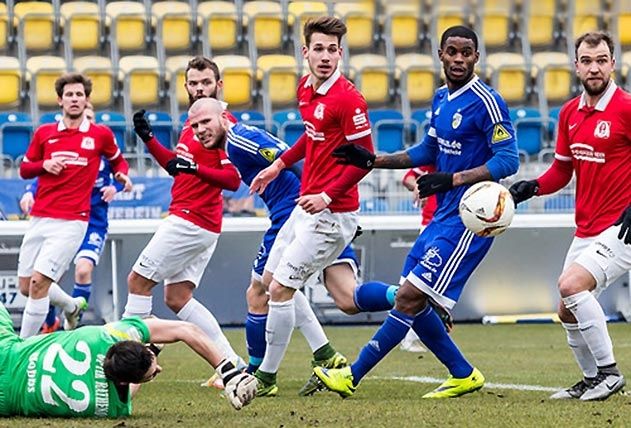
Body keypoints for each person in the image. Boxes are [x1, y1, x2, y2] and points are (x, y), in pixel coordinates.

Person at [312, 25, 519, 399]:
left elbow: (508, 160)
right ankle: (463, 373)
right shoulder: (441, 98)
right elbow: (426, 150)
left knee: (409, 296)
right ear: (440, 54)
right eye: (452, 52)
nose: (458, 59)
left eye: (466, 53)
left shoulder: (487, 102)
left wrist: (451, 179)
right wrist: (372, 160)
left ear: (476, 57)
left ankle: (352, 376)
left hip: (469, 221)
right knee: (413, 296)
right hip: (442, 215)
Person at [185, 98, 398, 396]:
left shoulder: (238, 141)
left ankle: (259, 374)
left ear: (223, 116)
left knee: (261, 290)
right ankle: (406, 298)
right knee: (347, 298)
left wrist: (324, 202)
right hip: (317, 211)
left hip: (297, 213)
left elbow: (292, 159)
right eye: (195, 126)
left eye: (205, 122)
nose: (200, 130)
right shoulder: (237, 141)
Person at [249, 16, 375, 395]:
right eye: (318, 49)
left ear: (341, 53)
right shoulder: (306, 88)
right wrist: (277, 165)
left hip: (332, 215)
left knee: (281, 291)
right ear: (305, 52)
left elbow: (365, 158)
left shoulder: (348, 99)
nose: (325, 57)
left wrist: (327, 195)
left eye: (332, 50)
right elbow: (311, 138)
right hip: (306, 209)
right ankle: (324, 354)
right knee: (268, 283)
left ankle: (266, 378)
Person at [509, 31, 630, 401]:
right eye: (587, 61)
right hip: (586, 228)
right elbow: (562, 171)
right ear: (576, 66)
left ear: (613, 63)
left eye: (601, 60)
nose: (594, 68)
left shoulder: (626, 108)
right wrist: (532, 187)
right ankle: (593, 379)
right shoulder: (568, 113)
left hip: (622, 227)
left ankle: (610, 374)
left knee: (571, 286)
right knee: (566, 311)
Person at [125, 56, 245, 369]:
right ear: (186, 87)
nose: (200, 88)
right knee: (177, 298)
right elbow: (176, 168)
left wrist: (194, 167)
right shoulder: (196, 122)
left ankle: (130, 363)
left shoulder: (222, 123)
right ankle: (231, 363)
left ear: (218, 85)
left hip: (190, 220)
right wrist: (148, 138)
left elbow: (233, 179)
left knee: (138, 282)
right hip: (197, 221)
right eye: (194, 83)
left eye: (206, 82)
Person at [18, 72, 132, 338]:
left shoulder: (100, 135)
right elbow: (25, 169)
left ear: (86, 100)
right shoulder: (44, 134)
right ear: (60, 100)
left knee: (38, 283)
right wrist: (43, 164)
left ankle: (20, 349)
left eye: (79, 94)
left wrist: (121, 177)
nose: (74, 99)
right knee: (26, 286)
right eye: (69, 94)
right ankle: (71, 306)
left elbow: (119, 162)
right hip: (39, 219)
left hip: (73, 221)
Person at [0, 301, 257, 417]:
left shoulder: (105, 335)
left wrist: (229, 372)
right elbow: (130, 389)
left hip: (7, 351)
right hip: (5, 400)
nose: (160, 370)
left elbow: (185, 330)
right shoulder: (109, 408)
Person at [398, 165, 438, 353]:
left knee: (427, 285)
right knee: (420, 283)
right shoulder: (438, 151)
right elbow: (408, 177)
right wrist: (418, 187)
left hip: (448, 226)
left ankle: (410, 335)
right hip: (431, 226)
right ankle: (406, 336)